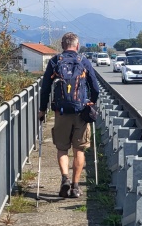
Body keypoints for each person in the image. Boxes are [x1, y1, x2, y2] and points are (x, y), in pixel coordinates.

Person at [38, 32, 100, 198]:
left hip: (61, 112)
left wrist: (42, 110)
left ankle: (65, 178)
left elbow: (45, 88)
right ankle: (75, 186)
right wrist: (91, 103)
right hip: (81, 111)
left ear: (62, 45)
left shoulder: (55, 61)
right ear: (77, 45)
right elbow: (95, 87)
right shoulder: (83, 61)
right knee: (79, 149)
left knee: (62, 148)